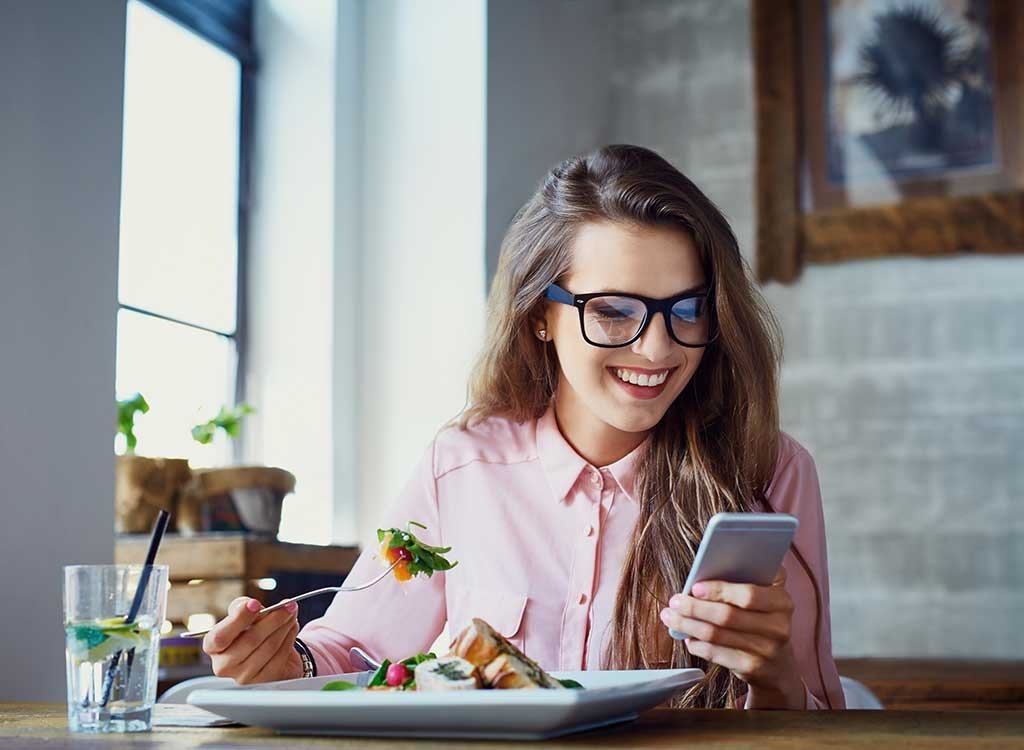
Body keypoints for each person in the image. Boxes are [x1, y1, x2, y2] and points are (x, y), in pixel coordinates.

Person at [201, 144, 846, 710]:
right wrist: (287, 666)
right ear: (541, 314)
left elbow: (818, 717)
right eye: (614, 312)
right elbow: (358, 654)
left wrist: (775, 676)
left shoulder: (772, 471)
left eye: (687, 310)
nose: (656, 350)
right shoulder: (459, 467)